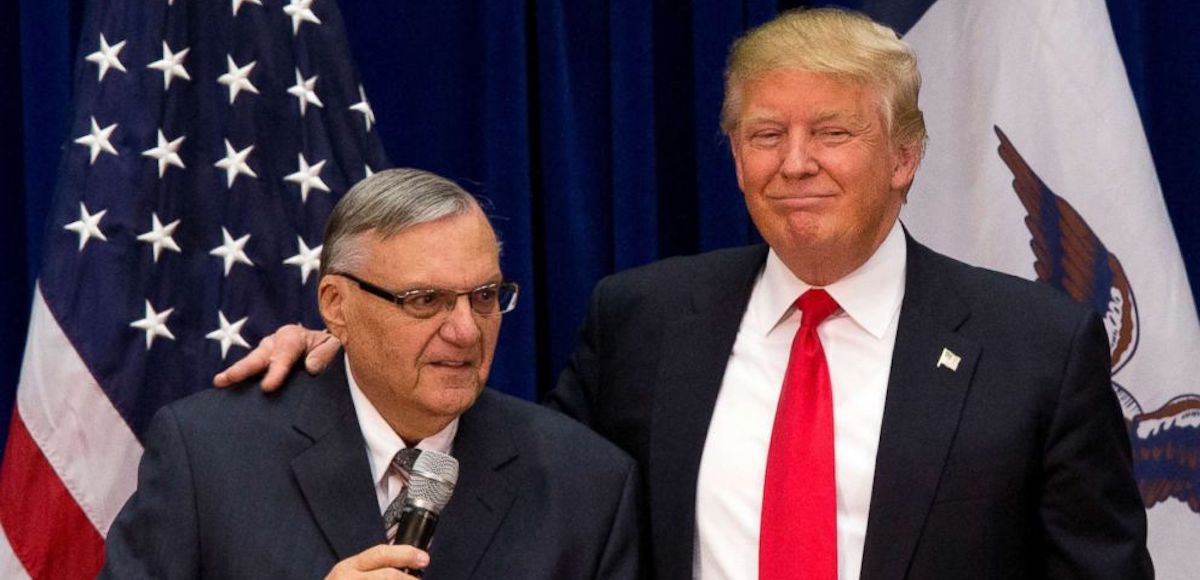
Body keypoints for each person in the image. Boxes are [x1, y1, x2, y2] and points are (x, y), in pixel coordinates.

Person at [216, 8, 1152, 580]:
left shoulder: (1033, 344)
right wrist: (352, 355)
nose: (795, 164)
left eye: (831, 131)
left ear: (905, 156)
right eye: (763, 133)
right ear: (734, 157)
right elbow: (511, 483)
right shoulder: (645, 319)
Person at [104, 169, 642, 579]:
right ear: (337, 305)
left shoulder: (585, 485)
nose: (466, 331)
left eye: (483, 297)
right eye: (425, 300)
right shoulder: (210, 457)